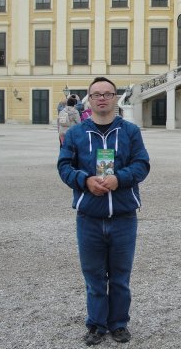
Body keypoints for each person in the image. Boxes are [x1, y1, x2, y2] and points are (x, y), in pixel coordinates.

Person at [57, 76, 151, 346]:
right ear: (89, 99)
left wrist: (118, 179)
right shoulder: (76, 133)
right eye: (96, 94)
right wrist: (84, 181)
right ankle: (97, 324)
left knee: (120, 277)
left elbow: (142, 164)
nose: (102, 98)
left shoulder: (130, 131)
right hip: (89, 217)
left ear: (115, 98)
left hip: (123, 217)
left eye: (107, 94)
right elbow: (64, 166)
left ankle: (118, 323)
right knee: (94, 278)